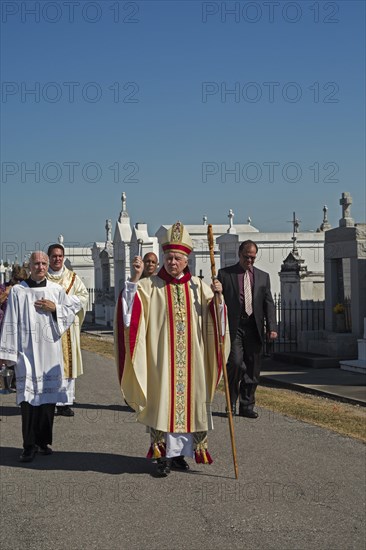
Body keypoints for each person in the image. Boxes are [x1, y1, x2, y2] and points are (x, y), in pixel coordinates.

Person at [115, 222, 230, 477]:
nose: (172, 262)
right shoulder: (150, 286)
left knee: (191, 402)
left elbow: (217, 321)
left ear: (186, 260)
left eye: (177, 258)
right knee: (164, 403)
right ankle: (163, 456)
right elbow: (129, 311)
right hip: (162, 361)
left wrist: (219, 300)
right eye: (168, 258)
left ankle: (180, 455)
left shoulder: (199, 287)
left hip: (194, 359)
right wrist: (134, 279)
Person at [0, 252, 81, 462]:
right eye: (36, 263)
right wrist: (7, 353)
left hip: (50, 352)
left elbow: (70, 312)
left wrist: (55, 309)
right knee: (28, 401)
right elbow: (10, 322)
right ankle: (28, 446)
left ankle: (43, 442)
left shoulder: (56, 290)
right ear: (29, 265)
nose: (41, 267)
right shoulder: (19, 291)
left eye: (44, 263)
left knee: (47, 402)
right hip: (26, 353)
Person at [218, 240, 277, 419]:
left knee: (252, 368)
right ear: (239, 254)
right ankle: (231, 403)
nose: (249, 260)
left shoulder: (262, 277)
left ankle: (247, 405)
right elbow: (217, 302)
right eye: (246, 257)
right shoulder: (225, 274)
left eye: (252, 257)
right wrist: (216, 291)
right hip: (234, 327)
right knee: (235, 363)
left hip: (254, 327)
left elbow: (269, 303)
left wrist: (272, 327)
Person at [47, 244, 89, 417]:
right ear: (49, 257)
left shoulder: (72, 278)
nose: (57, 259)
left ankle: (65, 402)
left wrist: (62, 304)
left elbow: (83, 297)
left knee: (67, 363)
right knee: (48, 362)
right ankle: (48, 400)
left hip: (68, 329)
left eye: (60, 256)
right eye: (54, 256)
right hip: (47, 328)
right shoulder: (43, 277)